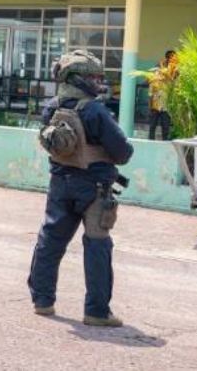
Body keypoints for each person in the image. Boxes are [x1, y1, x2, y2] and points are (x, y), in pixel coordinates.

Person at [29, 49, 134, 327]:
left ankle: (42, 301)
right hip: (95, 188)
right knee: (98, 246)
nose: (98, 81)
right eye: (93, 76)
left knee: (50, 241)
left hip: (60, 184)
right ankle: (97, 312)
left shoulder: (51, 106)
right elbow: (123, 152)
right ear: (77, 78)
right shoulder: (95, 110)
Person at [148, 50, 176, 141]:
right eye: (172, 57)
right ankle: (150, 144)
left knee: (166, 128)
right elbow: (150, 93)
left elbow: (174, 86)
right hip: (155, 106)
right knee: (152, 127)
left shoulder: (173, 72)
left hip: (166, 107)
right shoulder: (157, 73)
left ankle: (165, 144)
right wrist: (150, 106)